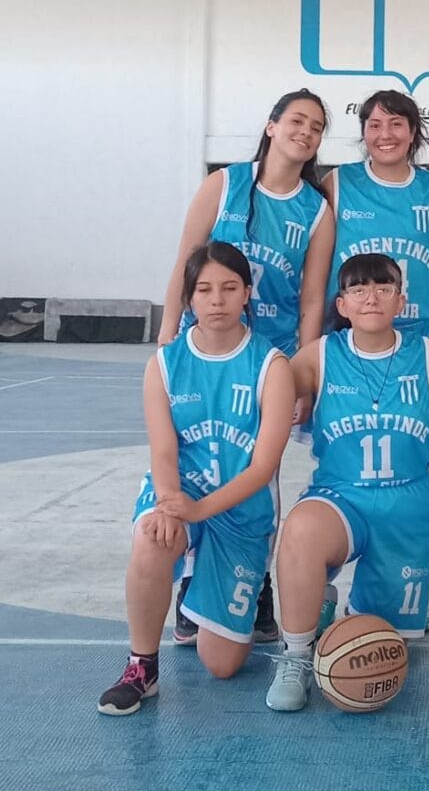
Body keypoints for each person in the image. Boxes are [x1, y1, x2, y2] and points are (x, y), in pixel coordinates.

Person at [157, 88, 334, 645]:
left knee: (260, 470)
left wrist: (304, 369)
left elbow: (311, 299)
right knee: (195, 459)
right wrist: (167, 340)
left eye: (317, 126)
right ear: (272, 125)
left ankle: (253, 582)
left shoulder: (316, 210)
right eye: (297, 121)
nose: (305, 132)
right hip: (202, 350)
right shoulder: (225, 184)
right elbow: (185, 266)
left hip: (266, 359)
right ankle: (192, 582)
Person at [264, 254, 429, 711]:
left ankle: (329, 605)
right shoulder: (319, 354)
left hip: (407, 504)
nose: (371, 296)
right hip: (340, 495)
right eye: (358, 289)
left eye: (383, 287)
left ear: (402, 300)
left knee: (378, 647)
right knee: (300, 530)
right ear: (342, 302)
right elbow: (262, 384)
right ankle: (296, 655)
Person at [98, 242, 295, 715]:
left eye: (229, 288)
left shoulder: (272, 366)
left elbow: (263, 467)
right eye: (204, 289)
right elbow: (163, 452)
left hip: (239, 511)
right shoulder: (164, 365)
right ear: (188, 299)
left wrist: (200, 511)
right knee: (153, 535)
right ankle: (141, 668)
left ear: (247, 293)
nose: (217, 299)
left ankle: (208, 587)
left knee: (222, 665)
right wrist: (171, 505)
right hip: (179, 493)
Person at [324, 90, 429, 340]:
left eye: (396, 124)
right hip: (351, 331)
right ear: (364, 132)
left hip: (418, 332)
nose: (385, 134)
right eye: (374, 125)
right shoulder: (338, 183)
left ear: (412, 130)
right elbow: (315, 266)